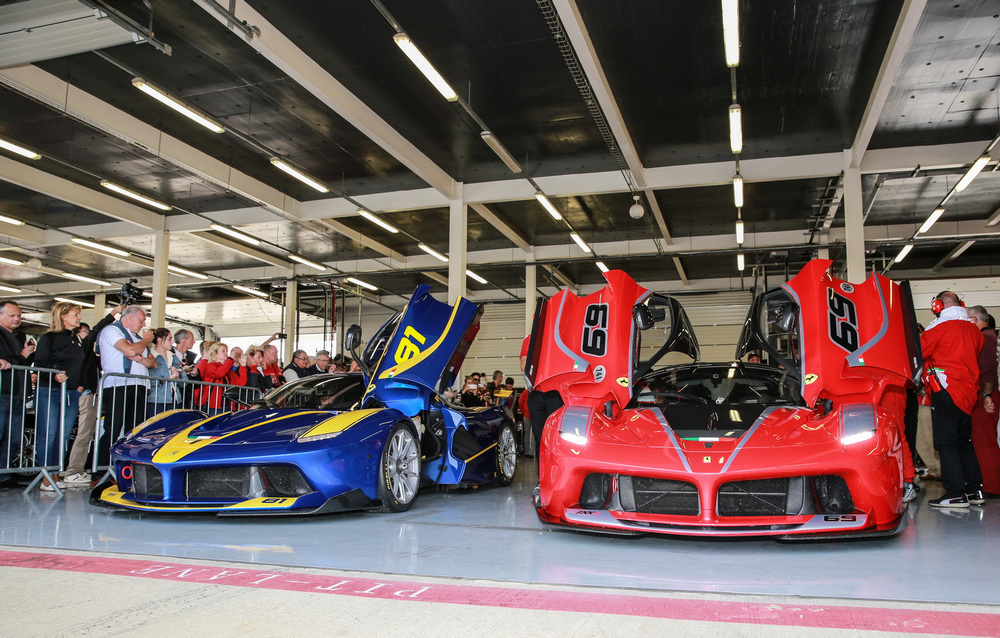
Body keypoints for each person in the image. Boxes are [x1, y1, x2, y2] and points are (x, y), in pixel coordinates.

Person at [920, 291, 984, 508]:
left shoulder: (939, 328)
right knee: (965, 443)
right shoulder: (974, 331)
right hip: (968, 393)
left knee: (946, 444)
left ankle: (955, 493)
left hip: (945, 390)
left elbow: (918, 352)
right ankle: (974, 490)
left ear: (937, 306)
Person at [61, 305, 123, 487]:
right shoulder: (81, 349)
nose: (88, 335)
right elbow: (96, 330)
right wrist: (113, 314)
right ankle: (72, 470)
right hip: (85, 393)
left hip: (90, 393)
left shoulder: (89, 353)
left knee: (86, 434)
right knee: (82, 434)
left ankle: (76, 469)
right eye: (85, 332)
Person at [32, 301, 87, 490]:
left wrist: (80, 386)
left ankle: (55, 472)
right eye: (75, 314)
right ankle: (46, 476)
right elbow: (39, 364)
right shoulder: (48, 338)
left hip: (71, 393)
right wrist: (54, 374)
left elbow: (80, 365)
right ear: (63, 316)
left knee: (63, 435)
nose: (79, 318)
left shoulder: (76, 339)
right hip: (50, 391)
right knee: (49, 434)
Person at [98, 305, 156, 468]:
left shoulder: (136, 337)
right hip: (119, 385)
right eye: (141, 320)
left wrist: (139, 358)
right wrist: (146, 341)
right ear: (130, 317)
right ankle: (101, 467)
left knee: (135, 430)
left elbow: (153, 362)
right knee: (113, 428)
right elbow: (129, 350)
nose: (143, 324)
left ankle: (129, 467)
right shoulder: (112, 330)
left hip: (139, 385)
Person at [967, 306, 1000, 495]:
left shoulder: (986, 338)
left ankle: (992, 486)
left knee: (984, 442)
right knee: (984, 440)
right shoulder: (990, 336)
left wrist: (986, 396)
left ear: (974, 319)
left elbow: (988, 370)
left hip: (986, 396)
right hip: (986, 394)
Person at [0, 301, 34, 481]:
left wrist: (28, 354)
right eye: (12, 315)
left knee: (14, 437)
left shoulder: (20, 336)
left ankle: (4, 475)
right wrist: (23, 355)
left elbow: (23, 362)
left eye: (19, 316)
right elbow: (6, 361)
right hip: (3, 392)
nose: (16, 319)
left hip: (19, 394)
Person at [147, 328, 182, 417]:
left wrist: (178, 377)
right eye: (169, 339)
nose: (172, 342)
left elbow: (184, 380)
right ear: (160, 340)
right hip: (157, 399)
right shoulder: (151, 357)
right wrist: (170, 378)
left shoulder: (173, 357)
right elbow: (151, 381)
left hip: (174, 398)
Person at [200, 342, 235, 416]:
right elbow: (219, 373)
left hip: (225, 404)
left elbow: (239, 382)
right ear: (215, 353)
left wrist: (243, 365)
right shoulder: (210, 366)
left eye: (226, 351)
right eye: (223, 351)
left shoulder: (227, 368)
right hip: (213, 404)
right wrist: (230, 360)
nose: (226, 353)